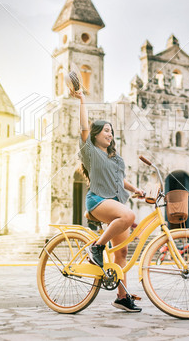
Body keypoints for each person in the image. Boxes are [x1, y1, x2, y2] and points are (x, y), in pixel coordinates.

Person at [71, 88, 145, 312]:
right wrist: (83, 99)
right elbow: (84, 126)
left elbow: (120, 180)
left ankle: (122, 297)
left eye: (111, 131)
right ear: (95, 135)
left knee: (122, 252)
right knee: (129, 215)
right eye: (105, 130)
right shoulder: (90, 152)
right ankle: (96, 248)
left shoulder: (114, 158)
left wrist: (137, 190)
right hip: (98, 201)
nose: (110, 134)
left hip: (114, 203)